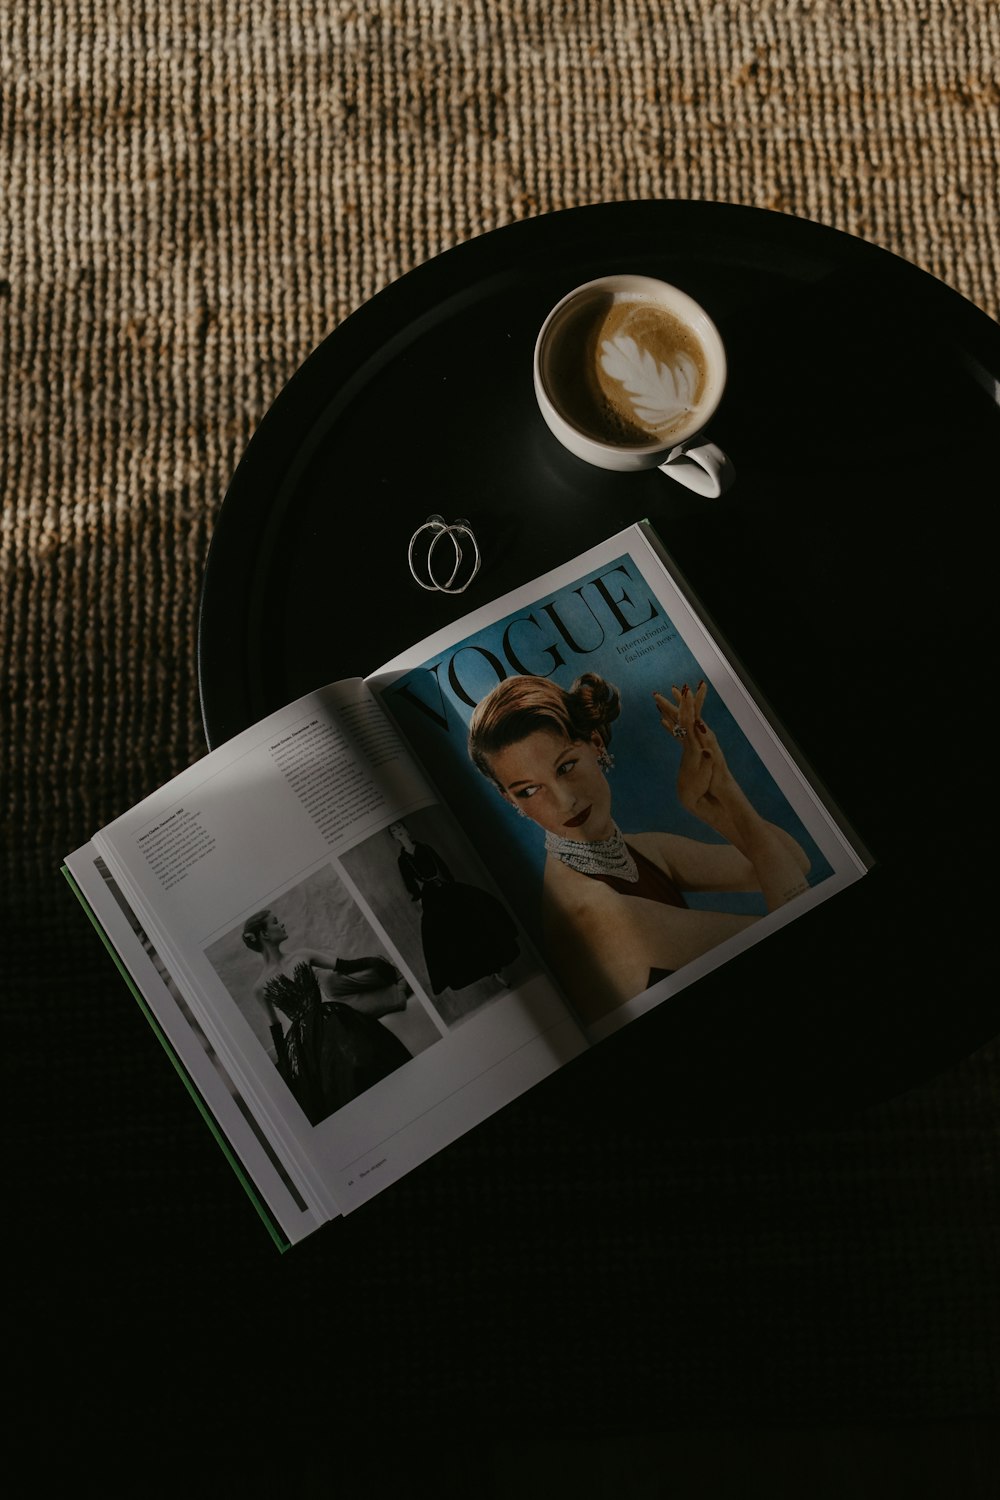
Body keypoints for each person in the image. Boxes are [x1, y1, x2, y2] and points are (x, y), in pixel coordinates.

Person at [467, 671, 810, 1024]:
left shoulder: (638, 851)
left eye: (566, 766)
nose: (565, 799)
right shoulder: (594, 912)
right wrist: (723, 784)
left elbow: (795, 864)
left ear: (596, 744)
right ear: (511, 800)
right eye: (528, 790)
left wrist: (715, 797)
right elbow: (797, 910)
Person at [242, 909, 412, 1124]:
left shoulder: (303, 955)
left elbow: (347, 965)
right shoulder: (260, 987)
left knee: (358, 1060)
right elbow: (275, 1026)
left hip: (332, 1019)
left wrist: (379, 962)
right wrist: (285, 1065)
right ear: (264, 934)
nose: (282, 924)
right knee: (331, 1083)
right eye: (275, 922)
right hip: (304, 1043)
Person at [387, 820, 520, 993]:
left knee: (474, 924)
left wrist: (449, 884)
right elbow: (409, 882)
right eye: (393, 831)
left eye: (399, 827)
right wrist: (419, 897)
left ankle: (496, 969)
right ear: (393, 837)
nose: (397, 831)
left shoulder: (425, 848)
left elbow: (442, 866)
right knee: (450, 937)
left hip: (447, 889)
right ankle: (484, 971)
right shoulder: (402, 859)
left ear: (406, 829)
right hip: (430, 897)